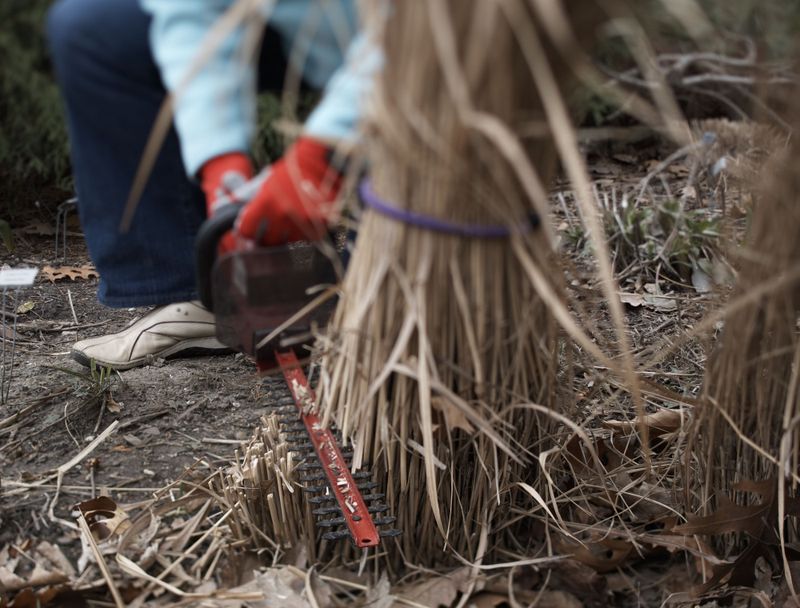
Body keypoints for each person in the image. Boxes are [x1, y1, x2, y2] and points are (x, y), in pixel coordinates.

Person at [46, 0, 371, 370]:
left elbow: (413, 41)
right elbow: (190, 14)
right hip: (300, 22)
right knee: (94, 27)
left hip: (417, 51)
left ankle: (385, 297)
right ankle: (196, 297)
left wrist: (322, 153)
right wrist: (220, 166)